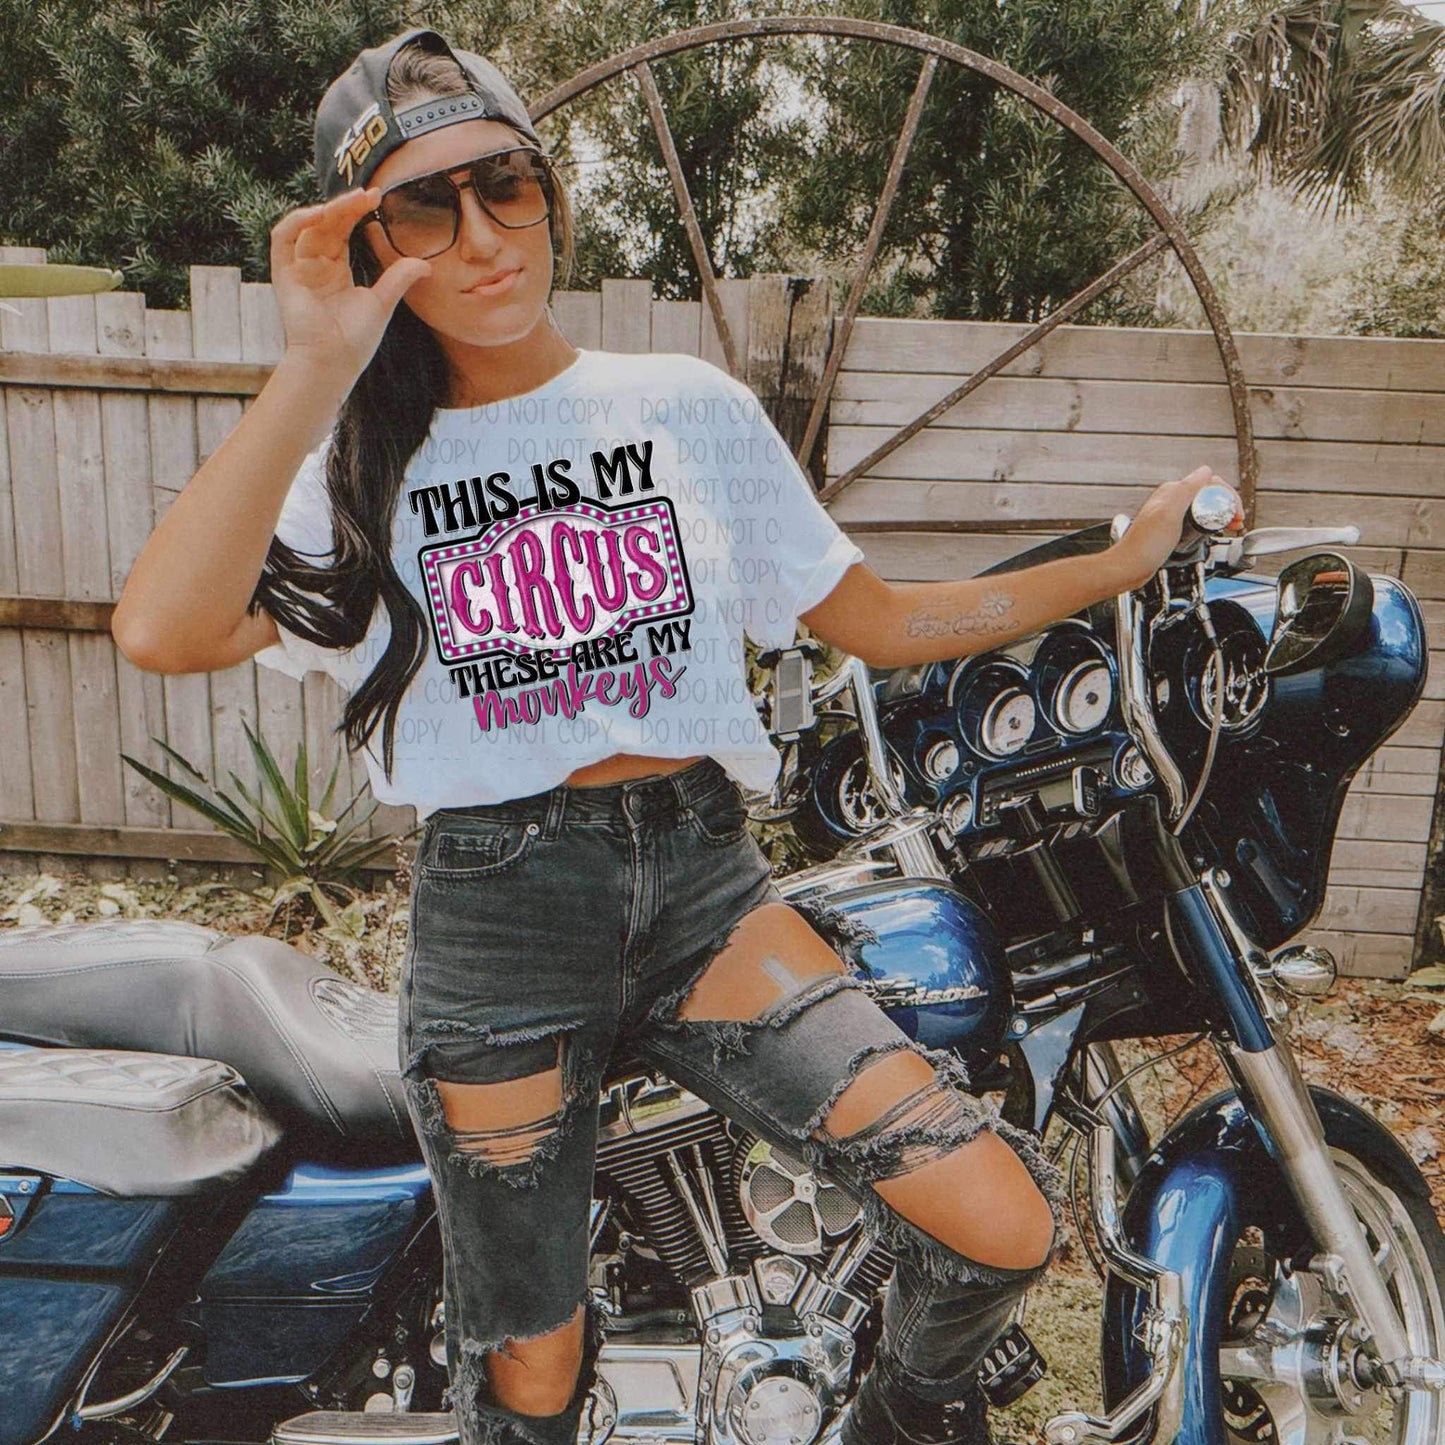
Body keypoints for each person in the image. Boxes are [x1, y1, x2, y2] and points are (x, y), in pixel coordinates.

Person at [112, 27, 1230, 1445]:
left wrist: (1110, 567)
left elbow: (880, 621)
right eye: (424, 208)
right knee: (532, 1363)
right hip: (500, 922)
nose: (481, 236)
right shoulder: (355, 462)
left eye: (506, 185)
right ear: (368, 242)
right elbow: (162, 629)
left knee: (997, 1216)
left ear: (552, 196)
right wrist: (313, 365)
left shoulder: (685, 408)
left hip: (706, 890)